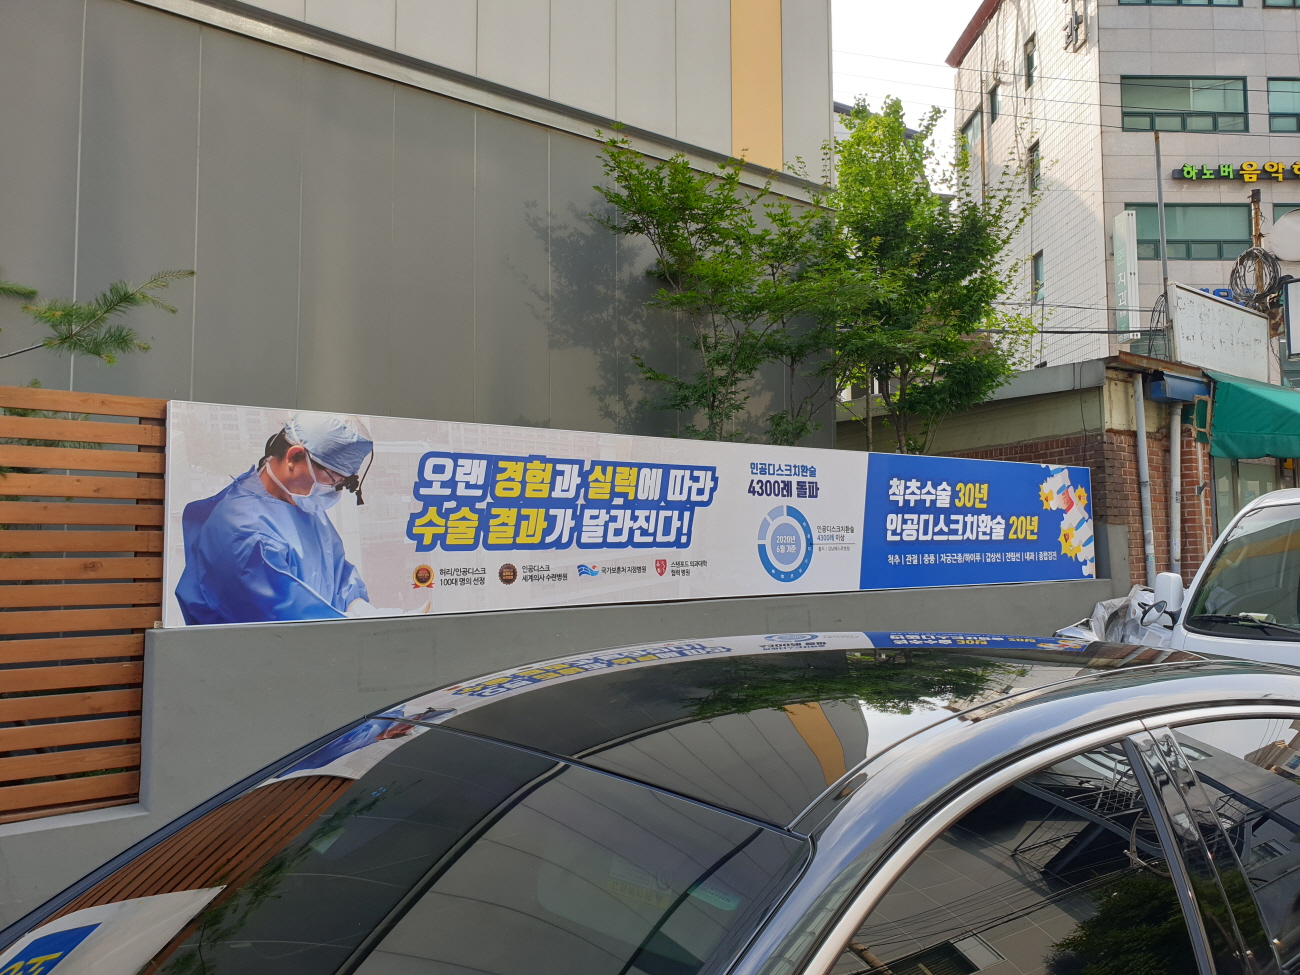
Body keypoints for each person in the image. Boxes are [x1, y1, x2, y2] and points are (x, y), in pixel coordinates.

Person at [176, 413, 377, 625]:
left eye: (343, 483)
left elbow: (335, 573)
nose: (333, 490)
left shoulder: (300, 502)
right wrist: (348, 625)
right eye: (332, 478)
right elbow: (281, 625)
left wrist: (355, 604)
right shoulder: (244, 532)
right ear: (294, 457)